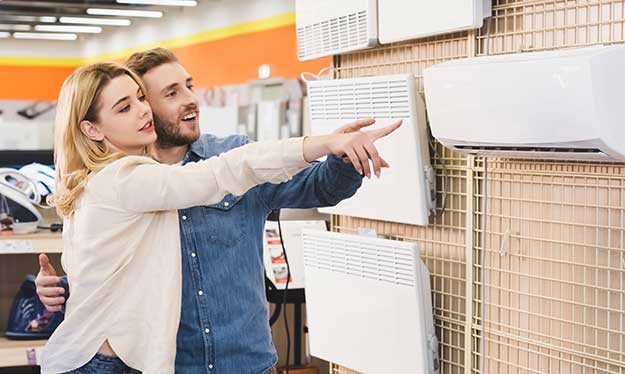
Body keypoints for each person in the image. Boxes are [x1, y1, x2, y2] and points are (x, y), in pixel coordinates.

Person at [38, 61, 399, 374]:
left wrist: (342, 155)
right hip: (139, 362)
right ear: (93, 129)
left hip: (239, 361)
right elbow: (221, 175)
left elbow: (317, 188)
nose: (143, 110)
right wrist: (319, 142)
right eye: (168, 93)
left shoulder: (98, 180)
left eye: (140, 98)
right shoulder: (125, 178)